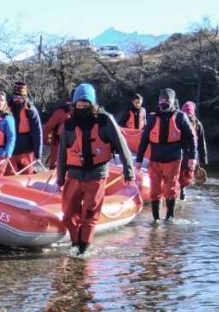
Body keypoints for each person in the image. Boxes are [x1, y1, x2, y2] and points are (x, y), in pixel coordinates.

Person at [57, 83, 134, 256]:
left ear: (92, 104)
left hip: (96, 175)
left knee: (90, 215)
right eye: (79, 104)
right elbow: (62, 153)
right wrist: (60, 178)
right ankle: (75, 244)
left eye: (86, 105)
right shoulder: (69, 124)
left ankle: (83, 249)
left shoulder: (105, 120)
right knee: (69, 215)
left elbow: (122, 146)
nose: (82, 107)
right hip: (74, 175)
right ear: (74, 104)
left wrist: (129, 170)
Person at [135, 88, 196, 223]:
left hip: (173, 159)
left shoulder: (180, 117)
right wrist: (138, 161)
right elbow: (144, 140)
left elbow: (191, 139)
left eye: (167, 100)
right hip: (155, 159)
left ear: (173, 101)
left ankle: (170, 217)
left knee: (171, 188)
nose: (164, 103)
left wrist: (192, 158)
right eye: (162, 100)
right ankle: (156, 219)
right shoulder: (152, 118)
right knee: (154, 190)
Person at [7, 81, 43, 173]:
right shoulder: (6, 110)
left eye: (21, 97)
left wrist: (38, 153)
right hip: (10, 152)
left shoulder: (31, 111)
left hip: (26, 151)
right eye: (15, 97)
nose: (18, 99)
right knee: (10, 174)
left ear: (25, 97)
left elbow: (37, 133)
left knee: (27, 174)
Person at [178, 101, 209, 200]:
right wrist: (203, 159)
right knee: (187, 175)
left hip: (178, 153)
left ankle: (178, 191)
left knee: (177, 173)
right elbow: (201, 143)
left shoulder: (178, 121)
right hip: (192, 154)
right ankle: (182, 190)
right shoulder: (198, 123)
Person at [42, 98, 72, 168]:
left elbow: (47, 128)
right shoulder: (87, 113)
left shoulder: (61, 112)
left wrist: (45, 142)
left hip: (59, 150)